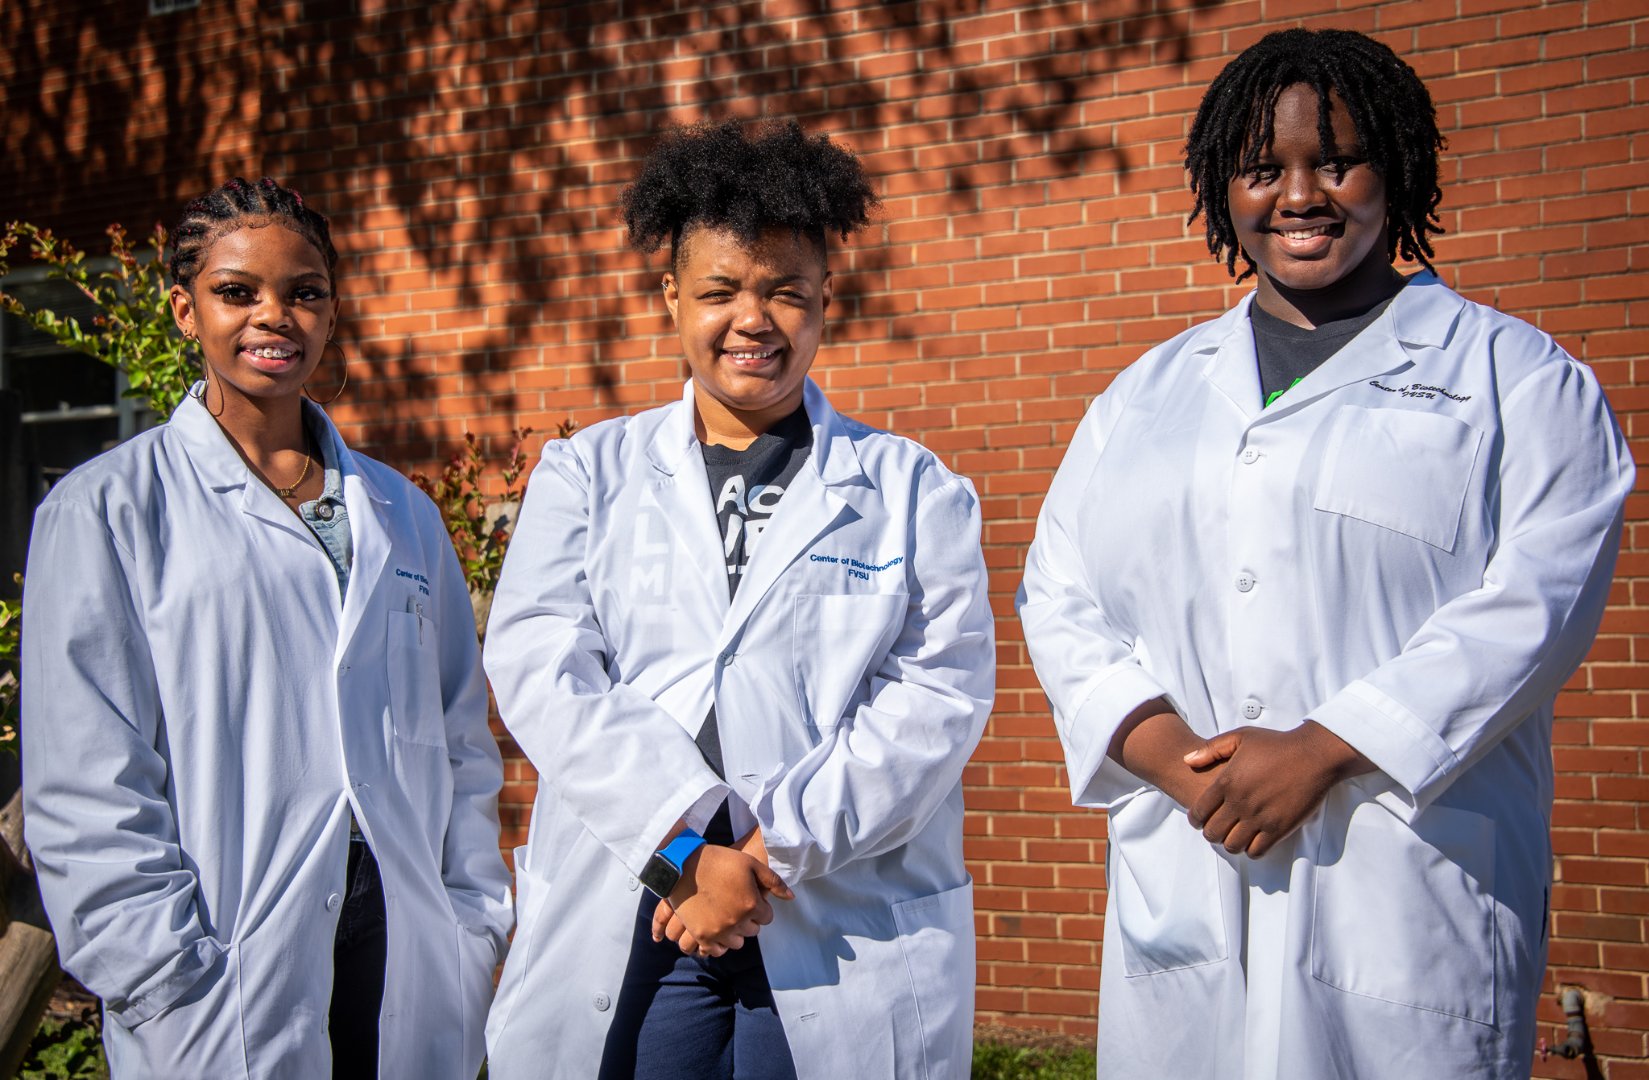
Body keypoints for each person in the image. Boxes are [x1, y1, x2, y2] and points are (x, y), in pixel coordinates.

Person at [1017, 28, 1634, 1079]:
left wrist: (1325, 746)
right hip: (1189, 865)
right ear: (1223, 189)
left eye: (1334, 160)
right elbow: (1056, 586)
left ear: (1394, 171)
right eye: (1262, 169)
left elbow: (1534, 602)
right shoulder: (1145, 395)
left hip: (1397, 880)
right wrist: (1165, 753)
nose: (1298, 195)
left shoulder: (1515, 380)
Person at [482, 119, 995, 1080]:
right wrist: (684, 852)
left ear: (824, 302)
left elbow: (938, 697)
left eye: (783, 291)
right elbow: (545, 673)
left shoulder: (913, 488)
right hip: (645, 897)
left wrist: (768, 854)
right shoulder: (586, 474)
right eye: (718, 290)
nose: (751, 319)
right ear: (670, 296)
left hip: (826, 901)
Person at [21, 177, 512, 1079]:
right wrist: (161, 972)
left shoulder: (399, 513)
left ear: (331, 311)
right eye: (237, 291)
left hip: (404, 934)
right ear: (184, 309)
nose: (274, 316)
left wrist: (472, 921)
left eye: (305, 292)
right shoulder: (105, 512)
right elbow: (88, 779)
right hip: (223, 954)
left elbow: (458, 737)